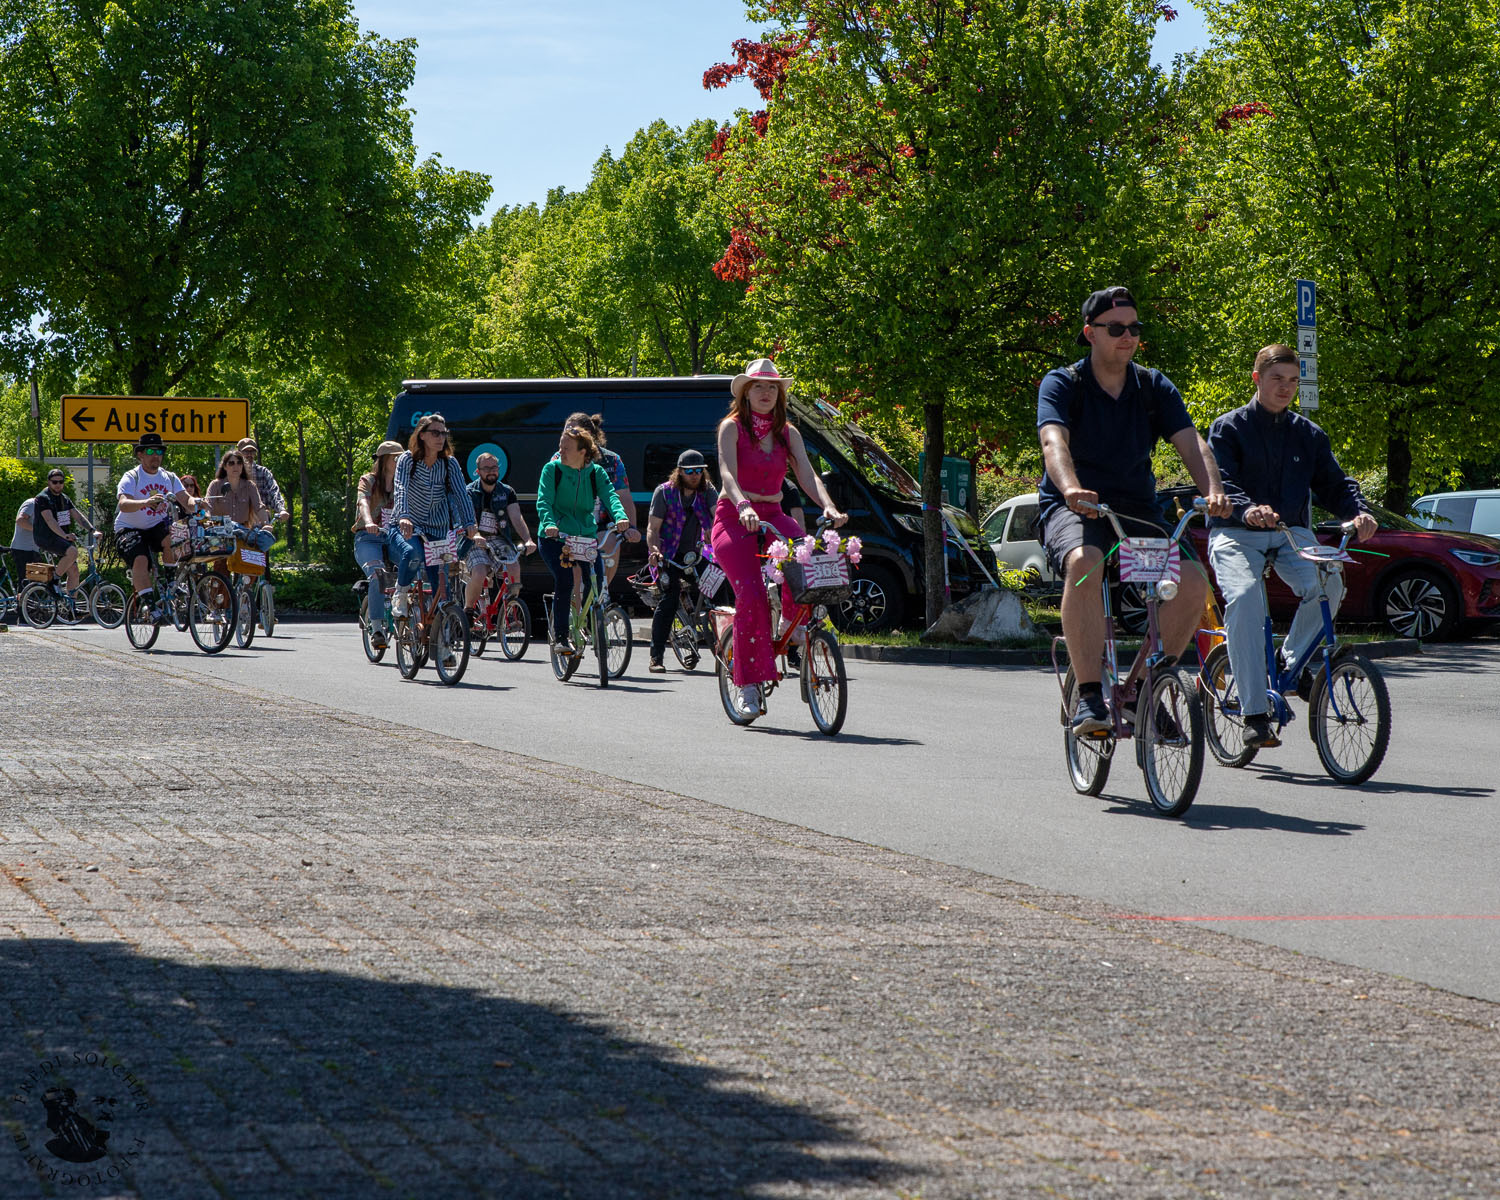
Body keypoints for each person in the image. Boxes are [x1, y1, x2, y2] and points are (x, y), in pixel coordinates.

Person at [1037, 286, 1231, 734]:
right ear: (1090, 333)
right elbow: (1053, 441)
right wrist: (1071, 488)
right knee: (1084, 563)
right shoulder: (1063, 383)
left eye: (1134, 328)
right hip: (1076, 507)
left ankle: (1141, 691)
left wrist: (1215, 491)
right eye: (1116, 328)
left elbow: (1191, 443)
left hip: (1137, 510)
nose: (1128, 336)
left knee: (1192, 581)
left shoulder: (1152, 386)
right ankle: (1089, 697)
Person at [1207, 344, 1378, 748]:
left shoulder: (1308, 434)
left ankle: (1289, 659)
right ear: (1257, 379)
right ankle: (1254, 714)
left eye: (1293, 381)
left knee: (1330, 580)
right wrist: (1248, 510)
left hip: (1289, 532)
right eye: (1277, 379)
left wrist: (1359, 512)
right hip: (1235, 531)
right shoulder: (1228, 428)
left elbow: (1336, 485)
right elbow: (1221, 481)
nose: (1285, 388)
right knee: (1245, 599)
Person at [712, 358, 847, 718]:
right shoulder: (731, 427)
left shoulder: (788, 432)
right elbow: (726, 472)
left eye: (772, 387)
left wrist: (828, 506)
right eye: (758, 386)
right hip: (734, 517)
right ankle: (748, 686)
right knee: (752, 594)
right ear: (745, 392)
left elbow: (807, 474)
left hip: (772, 514)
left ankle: (791, 623)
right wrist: (743, 505)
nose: (766, 392)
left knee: (810, 558)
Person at [536, 421, 629, 655]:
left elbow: (611, 496)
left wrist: (620, 517)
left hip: (585, 536)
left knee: (594, 580)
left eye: (566, 448)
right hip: (555, 537)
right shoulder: (552, 470)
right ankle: (561, 637)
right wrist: (549, 523)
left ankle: (588, 623)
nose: (560, 451)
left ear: (583, 452)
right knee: (566, 580)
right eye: (560, 446)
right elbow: (544, 501)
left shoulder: (596, 473)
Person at [391, 413, 477, 618]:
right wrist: (404, 516)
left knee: (442, 584)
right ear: (422, 435)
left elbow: (461, 494)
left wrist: (470, 523)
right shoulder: (407, 460)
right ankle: (400, 593)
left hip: (438, 530)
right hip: (408, 526)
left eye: (444, 433)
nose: (441, 438)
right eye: (435, 433)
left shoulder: (449, 463)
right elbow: (400, 487)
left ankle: (443, 631)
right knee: (413, 554)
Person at [645, 449, 719, 672]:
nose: (695, 475)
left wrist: (715, 530)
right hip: (668, 555)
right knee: (669, 598)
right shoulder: (665, 493)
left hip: (696, 554)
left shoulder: (707, 491)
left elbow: (718, 516)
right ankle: (656, 657)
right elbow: (653, 528)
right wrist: (654, 551)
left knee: (719, 587)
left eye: (699, 470)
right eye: (689, 471)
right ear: (680, 472)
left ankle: (727, 649)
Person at [114, 433, 200, 615]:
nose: (156, 456)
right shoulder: (132, 476)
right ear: (140, 454)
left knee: (175, 534)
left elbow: (186, 500)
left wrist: (199, 504)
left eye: (159, 451)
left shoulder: (169, 477)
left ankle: (171, 583)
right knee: (141, 560)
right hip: (129, 528)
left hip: (155, 527)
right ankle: (150, 607)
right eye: (150, 451)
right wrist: (145, 502)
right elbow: (123, 504)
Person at [552, 412, 641, 585]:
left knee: (610, 546)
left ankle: (601, 593)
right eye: (565, 431)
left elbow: (623, 496)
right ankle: (575, 599)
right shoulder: (558, 459)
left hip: (600, 524)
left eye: (572, 431)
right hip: (570, 523)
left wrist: (630, 527)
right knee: (575, 571)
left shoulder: (611, 460)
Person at [463, 452, 535, 620]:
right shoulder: (469, 492)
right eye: (486, 468)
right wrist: (476, 535)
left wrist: (528, 539)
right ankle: (468, 611)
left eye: (494, 467)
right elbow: (468, 519)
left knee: (514, 566)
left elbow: (516, 517)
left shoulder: (507, 491)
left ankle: (511, 612)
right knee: (479, 572)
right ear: (478, 471)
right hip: (474, 538)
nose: (491, 471)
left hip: (497, 538)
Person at [352, 441, 403, 648]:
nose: (400, 461)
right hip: (369, 537)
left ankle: (413, 618)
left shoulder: (403, 483)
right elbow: (363, 502)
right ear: (384, 461)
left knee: (417, 566)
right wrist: (368, 522)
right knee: (377, 575)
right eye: (395, 458)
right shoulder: (369, 480)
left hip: (394, 537)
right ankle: (377, 629)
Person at [32, 470, 98, 599]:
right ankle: (53, 581)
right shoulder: (42, 498)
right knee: (72, 552)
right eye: (54, 482)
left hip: (61, 538)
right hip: (46, 537)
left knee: (74, 572)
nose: (58, 485)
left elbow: (77, 515)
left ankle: (71, 606)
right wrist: (65, 535)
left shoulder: (64, 498)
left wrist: (92, 530)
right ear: (48, 482)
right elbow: (50, 520)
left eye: (61, 482)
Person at [205, 452, 273, 553]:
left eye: (239, 463)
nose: (235, 466)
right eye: (231, 463)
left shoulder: (250, 486)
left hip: (244, 536)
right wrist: (207, 519)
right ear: (225, 466)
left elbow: (259, 507)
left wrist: (266, 525)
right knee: (220, 562)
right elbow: (207, 505)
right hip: (220, 534)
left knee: (248, 561)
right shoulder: (215, 485)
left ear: (242, 466)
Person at [236, 438, 291, 527]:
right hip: (238, 522)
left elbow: (274, 491)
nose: (249, 454)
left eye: (252, 451)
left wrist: (281, 509)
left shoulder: (263, 472)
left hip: (261, 521)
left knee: (266, 535)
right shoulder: (233, 473)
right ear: (239, 453)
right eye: (246, 451)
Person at [10, 496, 39, 583]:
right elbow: (20, 520)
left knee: (37, 580)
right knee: (25, 582)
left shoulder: (43, 508)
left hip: (33, 549)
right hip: (23, 549)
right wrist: (38, 531)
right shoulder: (32, 504)